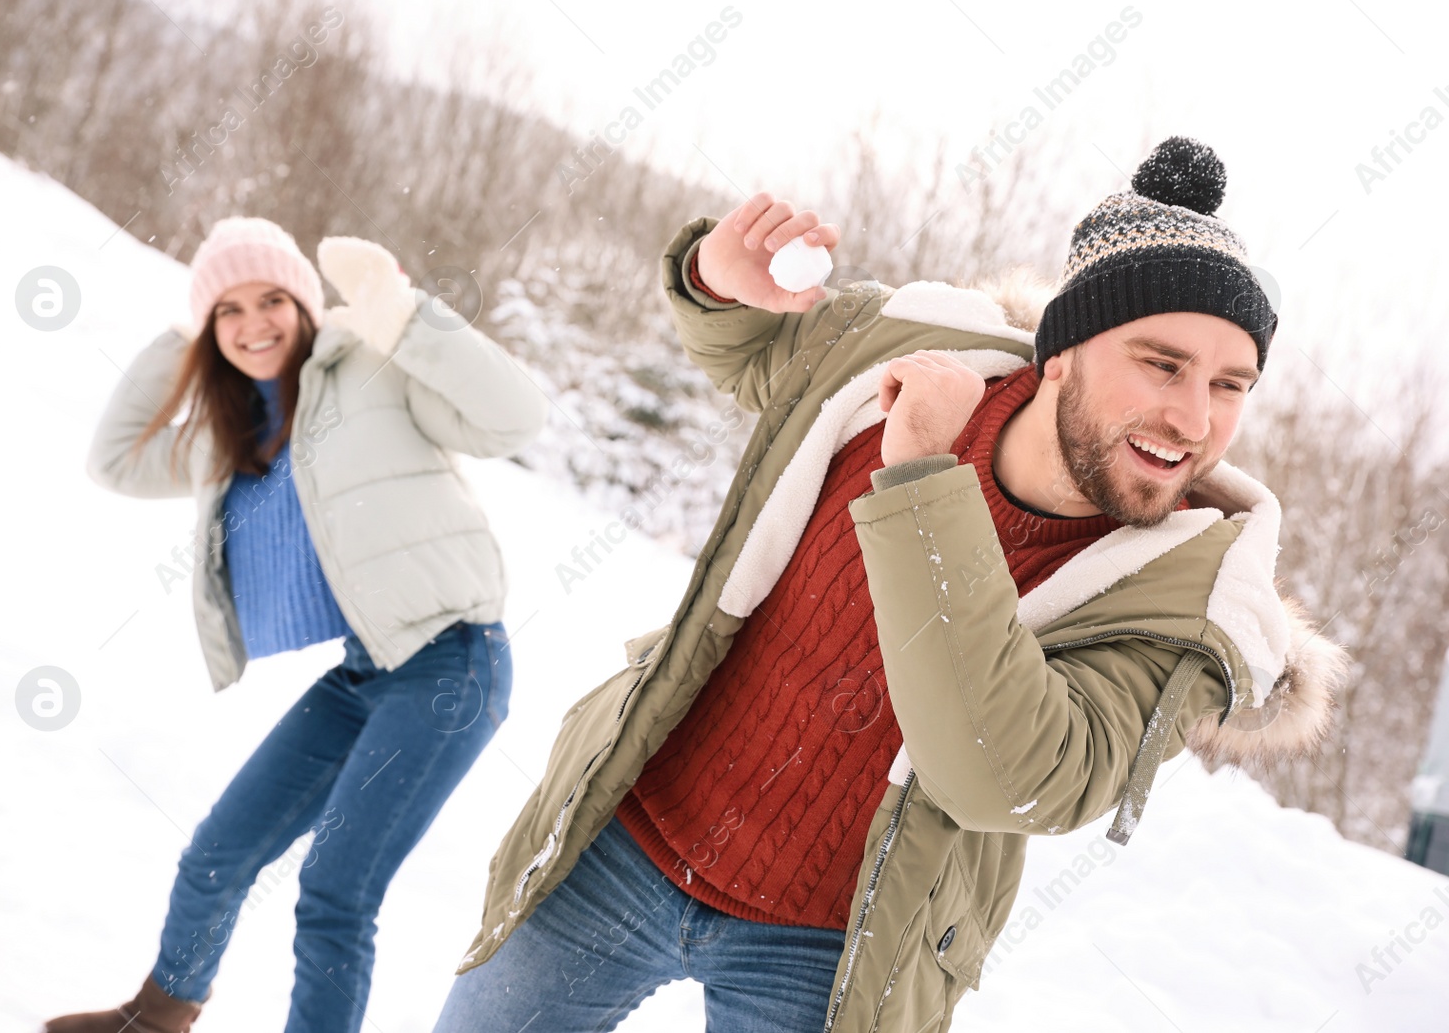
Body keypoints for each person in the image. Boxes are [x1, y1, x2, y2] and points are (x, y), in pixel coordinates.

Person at [434, 137, 1348, 1032]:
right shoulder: (907, 351)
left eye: (1233, 384)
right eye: (1162, 363)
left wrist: (922, 484)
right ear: (1061, 351)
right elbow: (759, 356)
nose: (1195, 416)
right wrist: (717, 280)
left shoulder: (1186, 602)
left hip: (831, 957)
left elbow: (1013, 776)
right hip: (625, 835)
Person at [44, 217, 547, 1033]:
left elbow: (515, 417)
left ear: (304, 303)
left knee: (335, 892)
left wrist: (404, 311)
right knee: (217, 854)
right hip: (365, 668)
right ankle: (159, 1014)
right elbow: (115, 461)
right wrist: (182, 334)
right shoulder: (229, 429)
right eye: (228, 311)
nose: (254, 324)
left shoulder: (373, 365)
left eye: (271, 298)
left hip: (452, 663)